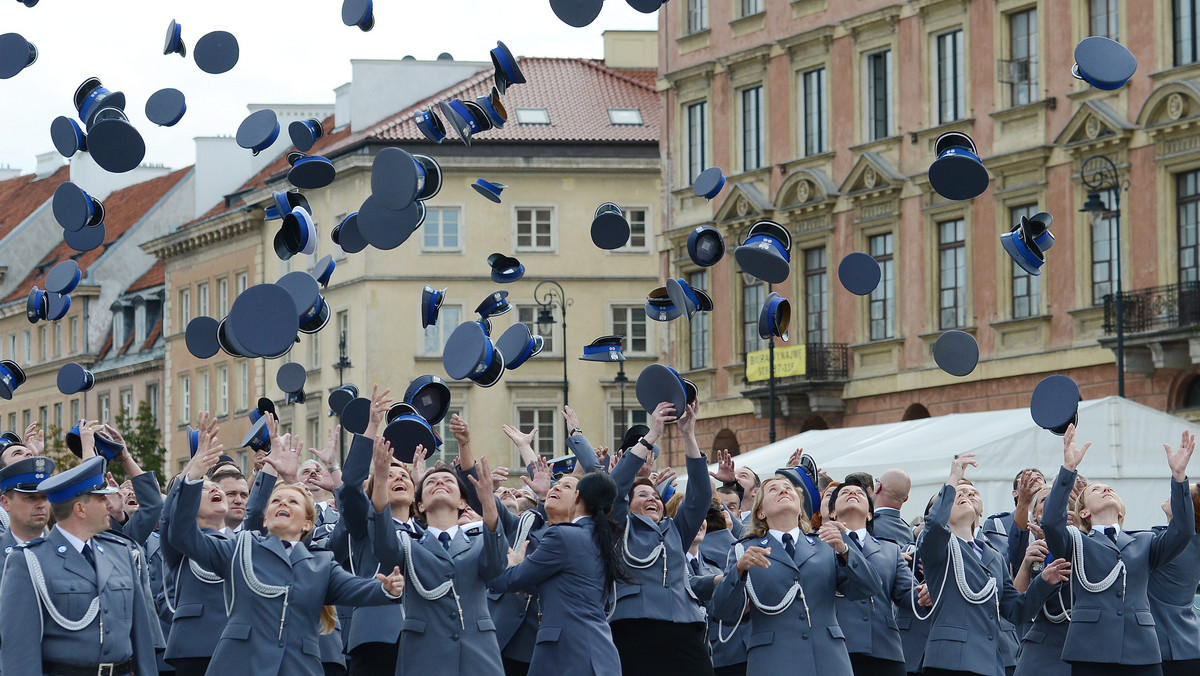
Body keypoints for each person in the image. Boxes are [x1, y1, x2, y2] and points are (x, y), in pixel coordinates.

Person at [166, 420, 406, 676]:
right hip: (239, 666)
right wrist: (192, 476)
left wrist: (387, 588)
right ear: (266, 518)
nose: (283, 503)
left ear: (307, 523)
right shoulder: (240, 549)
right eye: (277, 500)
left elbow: (359, 589)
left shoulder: (321, 564)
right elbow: (182, 535)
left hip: (299, 667)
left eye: (293, 501)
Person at [1042, 425, 1195, 676]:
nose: (1106, 489)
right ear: (1084, 513)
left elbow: (1183, 532)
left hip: (1142, 649)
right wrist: (1068, 469)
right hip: (1090, 649)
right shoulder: (1076, 542)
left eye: (1110, 489)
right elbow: (1050, 522)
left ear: (1121, 512)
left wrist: (1179, 477)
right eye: (1096, 489)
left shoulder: (1146, 541)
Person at [711, 470, 881, 676]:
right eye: (773, 489)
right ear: (760, 512)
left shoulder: (826, 544)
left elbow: (869, 588)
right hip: (773, 662)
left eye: (788, 489)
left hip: (828, 661)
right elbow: (723, 613)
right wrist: (738, 571)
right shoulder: (744, 551)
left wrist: (846, 551)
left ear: (800, 509)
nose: (783, 490)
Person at [0, 456, 159, 675]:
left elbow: (142, 639)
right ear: (80, 509)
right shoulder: (29, 561)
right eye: (100, 499)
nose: (109, 504)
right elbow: (20, 654)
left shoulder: (121, 552)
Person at [919, 454, 1069, 676]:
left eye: (970, 494)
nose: (963, 496)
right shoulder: (937, 547)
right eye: (956, 495)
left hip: (991, 662)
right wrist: (953, 478)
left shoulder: (994, 556)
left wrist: (1045, 581)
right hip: (950, 661)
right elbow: (934, 526)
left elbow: (1016, 610)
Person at [372, 438, 507, 676]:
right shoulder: (408, 545)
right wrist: (381, 479)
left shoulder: (479, 543)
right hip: (423, 655)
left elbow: (496, 567)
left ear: (463, 502)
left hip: (478, 653)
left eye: (448, 481)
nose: (440, 483)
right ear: (420, 505)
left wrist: (488, 502)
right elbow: (384, 546)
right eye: (431, 482)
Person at [609, 400, 714, 676]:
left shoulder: (675, 530)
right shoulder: (617, 527)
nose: (652, 498)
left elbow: (700, 496)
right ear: (627, 505)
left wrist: (688, 434)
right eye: (642, 495)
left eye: (655, 495)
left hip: (684, 627)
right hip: (634, 628)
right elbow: (615, 487)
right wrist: (652, 436)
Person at [488, 471, 623, 676]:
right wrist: (525, 579)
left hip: (566, 654)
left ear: (577, 497)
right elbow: (566, 587)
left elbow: (513, 579)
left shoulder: (563, 535)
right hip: (599, 652)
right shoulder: (601, 540)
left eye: (568, 487)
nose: (557, 488)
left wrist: (508, 568)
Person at [335, 387, 419, 676]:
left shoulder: (427, 531)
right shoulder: (362, 525)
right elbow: (349, 487)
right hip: (375, 636)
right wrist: (372, 427)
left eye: (403, 476)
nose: (396, 478)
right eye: (388, 475)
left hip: (427, 638)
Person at [828, 478, 913, 676]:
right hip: (839, 646)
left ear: (869, 514)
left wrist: (928, 590)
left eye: (859, 493)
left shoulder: (890, 550)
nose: (852, 494)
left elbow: (909, 596)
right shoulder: (819, 546)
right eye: (844, 493)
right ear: (832, 513)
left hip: (884, 649)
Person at [1147, 482, 1200, 676]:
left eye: (1182, 495)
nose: (1173, 495)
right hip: (1189, 643)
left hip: (1162, 649)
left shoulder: (1159, 541)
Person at [873, 468, 914, 546]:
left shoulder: (868, 525)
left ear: (878, 487)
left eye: (877, 481)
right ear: (906, 499)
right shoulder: (908, 531)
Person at [211, 466, 250, 534]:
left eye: (244, 495)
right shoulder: (197, 537)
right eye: (231, 494)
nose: (238, 501)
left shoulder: (255, 539)